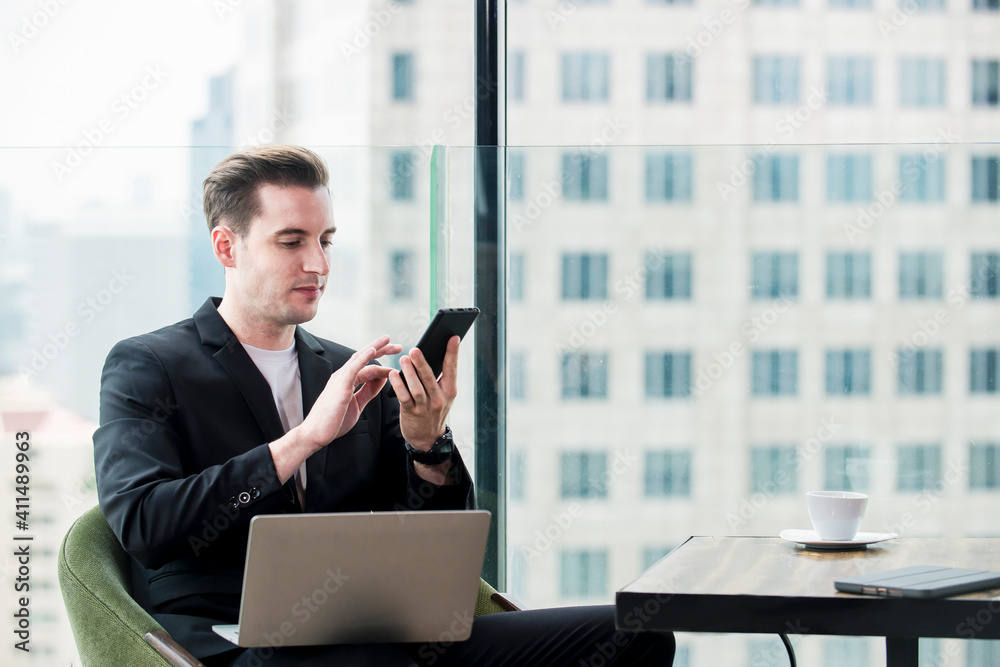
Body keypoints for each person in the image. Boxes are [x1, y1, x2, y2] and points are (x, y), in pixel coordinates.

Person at [94, 144, 676, 666]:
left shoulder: (349, 370)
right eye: (291, 242)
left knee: (637, 634)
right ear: (228, 246)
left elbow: (443, 549)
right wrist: (301, 442)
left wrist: (428, 443)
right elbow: (144, 524)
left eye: (325, 241)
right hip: (241, 643)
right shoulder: (150, 366)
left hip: (376, 630)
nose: (317, 264)